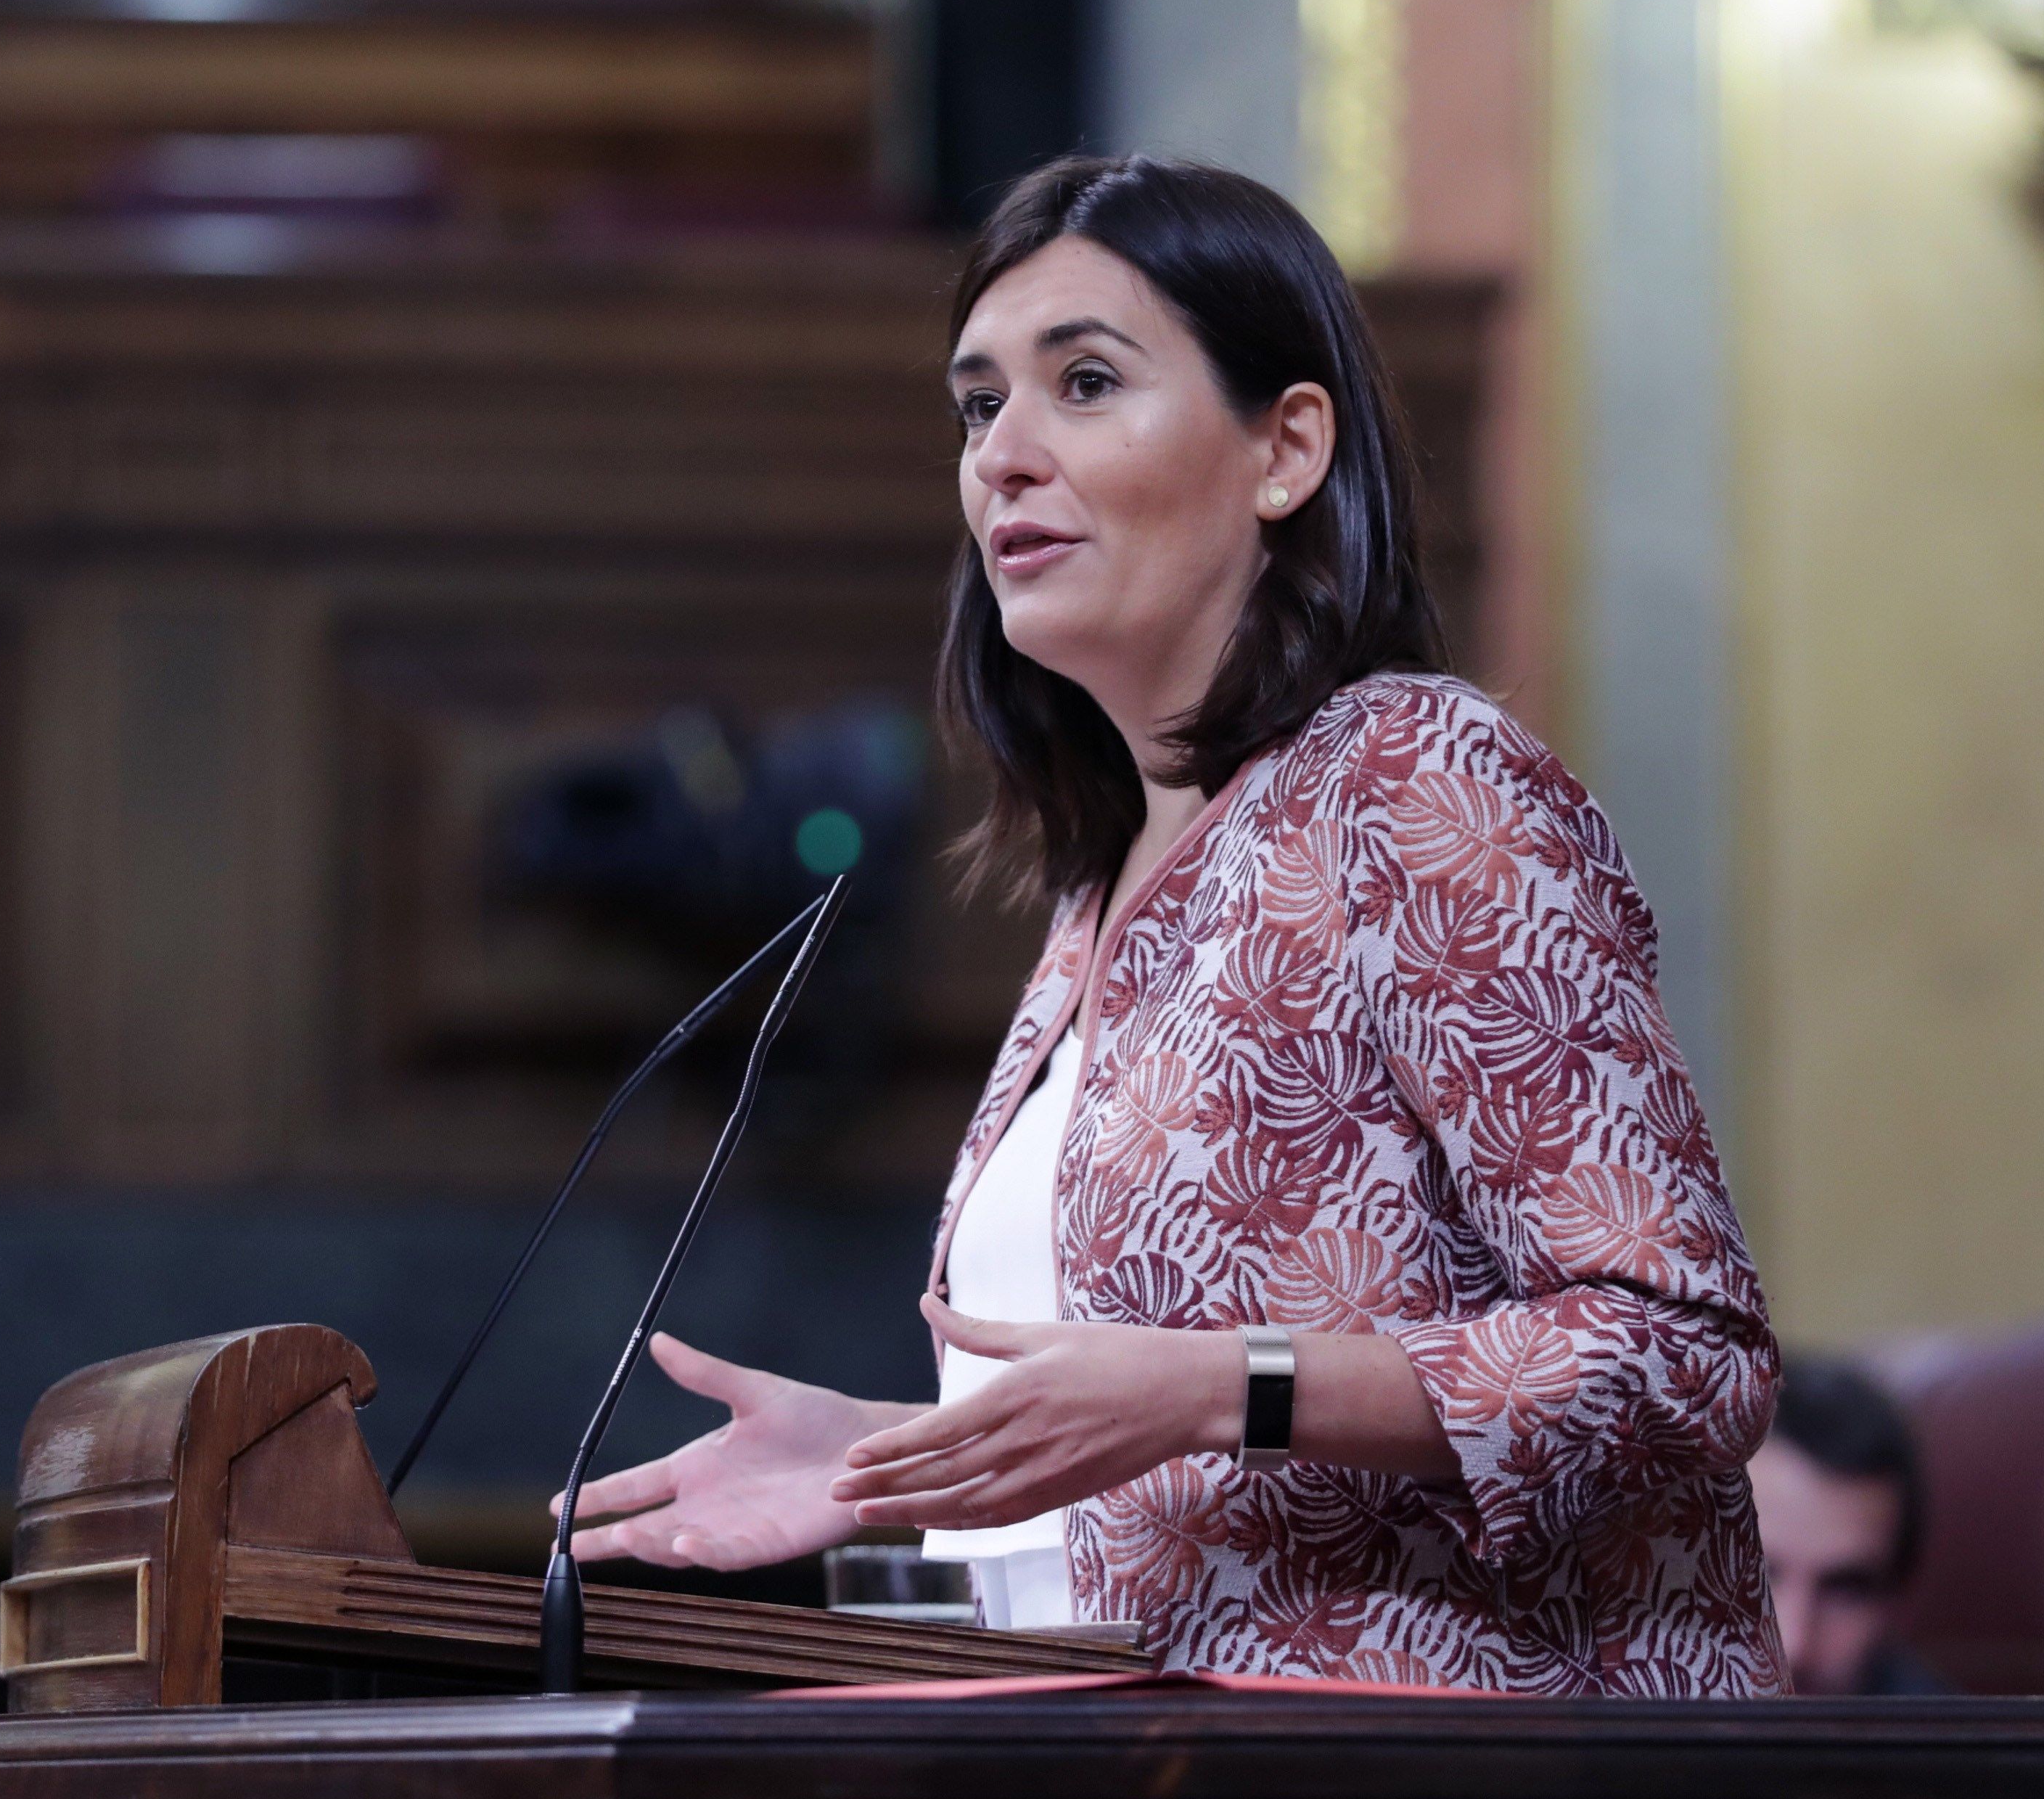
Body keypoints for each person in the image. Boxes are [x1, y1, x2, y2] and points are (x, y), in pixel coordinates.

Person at [557, 155, 1784, 1692]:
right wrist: (894, 1459)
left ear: (1285, 449)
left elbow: (1680, 1357)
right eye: (979, 405)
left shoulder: (1412, 777)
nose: (1005, 454)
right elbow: (1161, 1418)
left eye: (1084, 382)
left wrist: (1226, 1390)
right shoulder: (1100, 893)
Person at [1749, 1355, 1945, 1695]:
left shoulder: (1946, 1744)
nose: (1794, 1647)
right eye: (1751, 1578)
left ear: (1898, 1606)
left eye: (1846, 1590)